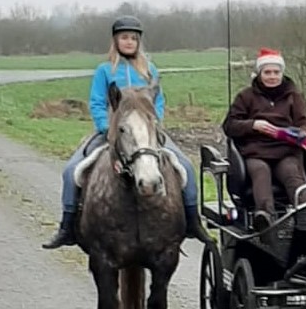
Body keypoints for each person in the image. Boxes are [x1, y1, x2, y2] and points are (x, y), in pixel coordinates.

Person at [41, 15, 211, 249]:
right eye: (124, 37)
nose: (129, 42)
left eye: (133, 38)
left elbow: (158, 101)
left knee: (186, 168)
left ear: (139, 41)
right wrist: (107, 129)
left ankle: (192, 221)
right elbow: (97, 103)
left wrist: (153, 125)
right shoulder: (104, 71)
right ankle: (67, 227)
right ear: (115, 41)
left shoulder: (149, 70)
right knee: (71, 170)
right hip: (112, 133)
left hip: (147, 133)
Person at [222, 48, 306, 232]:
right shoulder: (246, 97)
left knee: (291, 172)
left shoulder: (293, 97)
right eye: (267, 72)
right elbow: (229, 125)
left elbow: (305, 122)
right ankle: (265, 216)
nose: (272, 77)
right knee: (260, 171)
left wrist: (301, 133)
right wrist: (253, 125)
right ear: (260, 73)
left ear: (282, 73)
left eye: (276, 72)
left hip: (285, 150)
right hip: (256, 151)